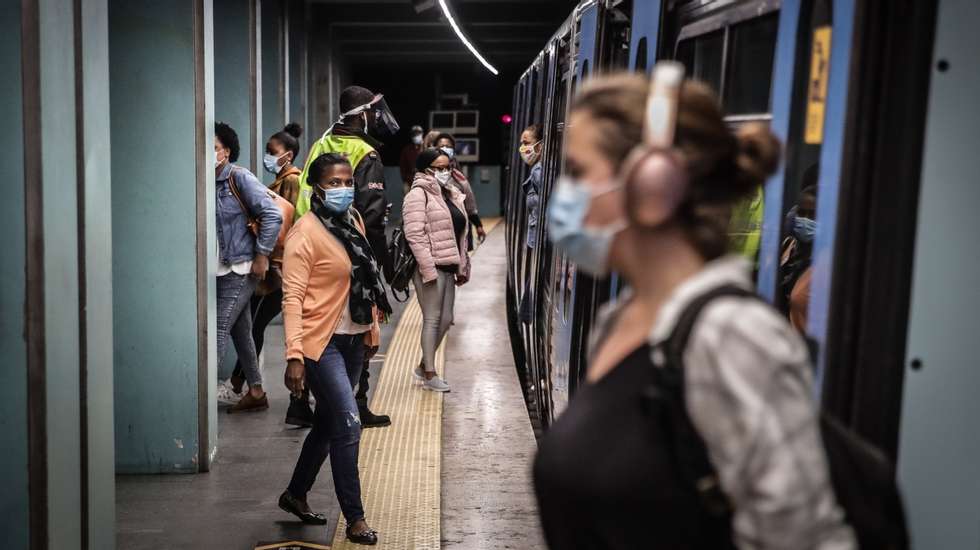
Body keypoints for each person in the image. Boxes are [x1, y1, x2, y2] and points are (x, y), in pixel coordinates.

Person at [533, 69, 855, 549]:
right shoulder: (618, 320)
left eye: (579, 172)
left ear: (651, 183)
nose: (566, 193)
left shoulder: (731, 337)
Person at [279, 153, 390, 545]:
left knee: (327, 424)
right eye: (335, 183)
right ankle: (355, 517)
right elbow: (292, 297)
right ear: (317, 188)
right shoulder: (304, 234)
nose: (344, 189)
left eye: (348, 181)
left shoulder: (353, 221)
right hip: (319, 343)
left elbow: (364, 279)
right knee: (347, 424)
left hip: (353, 339)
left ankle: (295, 494)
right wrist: (294, 355)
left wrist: (369, 331)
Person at [296, 85, 398, 428]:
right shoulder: (365, 152)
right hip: (348, 254)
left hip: (310, 243)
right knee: (355, 327)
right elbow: (371, 216)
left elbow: (302, 196)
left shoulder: (320, 145)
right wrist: (384, 266)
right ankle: (357, 405)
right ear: (364, 116)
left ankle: (301, 403)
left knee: (317, 323)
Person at [223, 122, 311, 424]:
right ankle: (250, 388)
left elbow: (286, 224)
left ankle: (243, 386)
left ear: (288, 155)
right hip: (274, 268)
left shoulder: (291, 183)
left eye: (272, 152)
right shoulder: (277, 182)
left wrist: (266, 258)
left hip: (276, 271)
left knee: (246, 325)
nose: (267, 156)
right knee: (246, 325)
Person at [214, 121, 283, 413]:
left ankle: (201, 395)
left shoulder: (238, 178)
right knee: (240, 330)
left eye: (214, 148)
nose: (208, 152)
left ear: (226, 152)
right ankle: (255, 390)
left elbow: (272, 214)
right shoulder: (206, 181)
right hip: (221, 268)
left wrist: (262, 255)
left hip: (241, 268)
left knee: (218, 327)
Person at [402, 149, 471, 392]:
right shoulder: (417, 195)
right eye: (438, 167)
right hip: (430, 267)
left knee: (446, 318)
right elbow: (414, 234)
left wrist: (462, 264)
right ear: (424, 169)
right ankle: (430, 373)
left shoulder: (449, 193)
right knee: (432, 319)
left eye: (447, 166)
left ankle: (423, 365)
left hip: (448, 265)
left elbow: (459, 233)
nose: (444, 172)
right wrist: (427, 268)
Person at [780, 165, 819, 331]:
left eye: (812, 215)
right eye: (801, 213)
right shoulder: (788, 246)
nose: (804, 220)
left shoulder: (825, 264)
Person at [433, 132, 486, 244]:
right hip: (436, 231)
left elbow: (469, 204)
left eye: (448, 146)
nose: (445, 148)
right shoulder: (427, 174)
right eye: (441, 146)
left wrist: (478, 225)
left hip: (459, 232)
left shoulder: (459, 176)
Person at [518, 124, 543, 323]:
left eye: (526, 143)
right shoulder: (536, 169)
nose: (522, 149)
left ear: (540, 146)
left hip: (541, 242)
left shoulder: (539, 172)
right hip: (536, 240)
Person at [400, 125, 425, 194]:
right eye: (414, 134)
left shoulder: (426, 148)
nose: (416, 136)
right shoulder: (406, 150)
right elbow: (403, 168)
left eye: (418, 133)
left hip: (425, 180)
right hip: (411, 181)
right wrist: (407, 179)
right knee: (405, 191)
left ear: (422, 134)